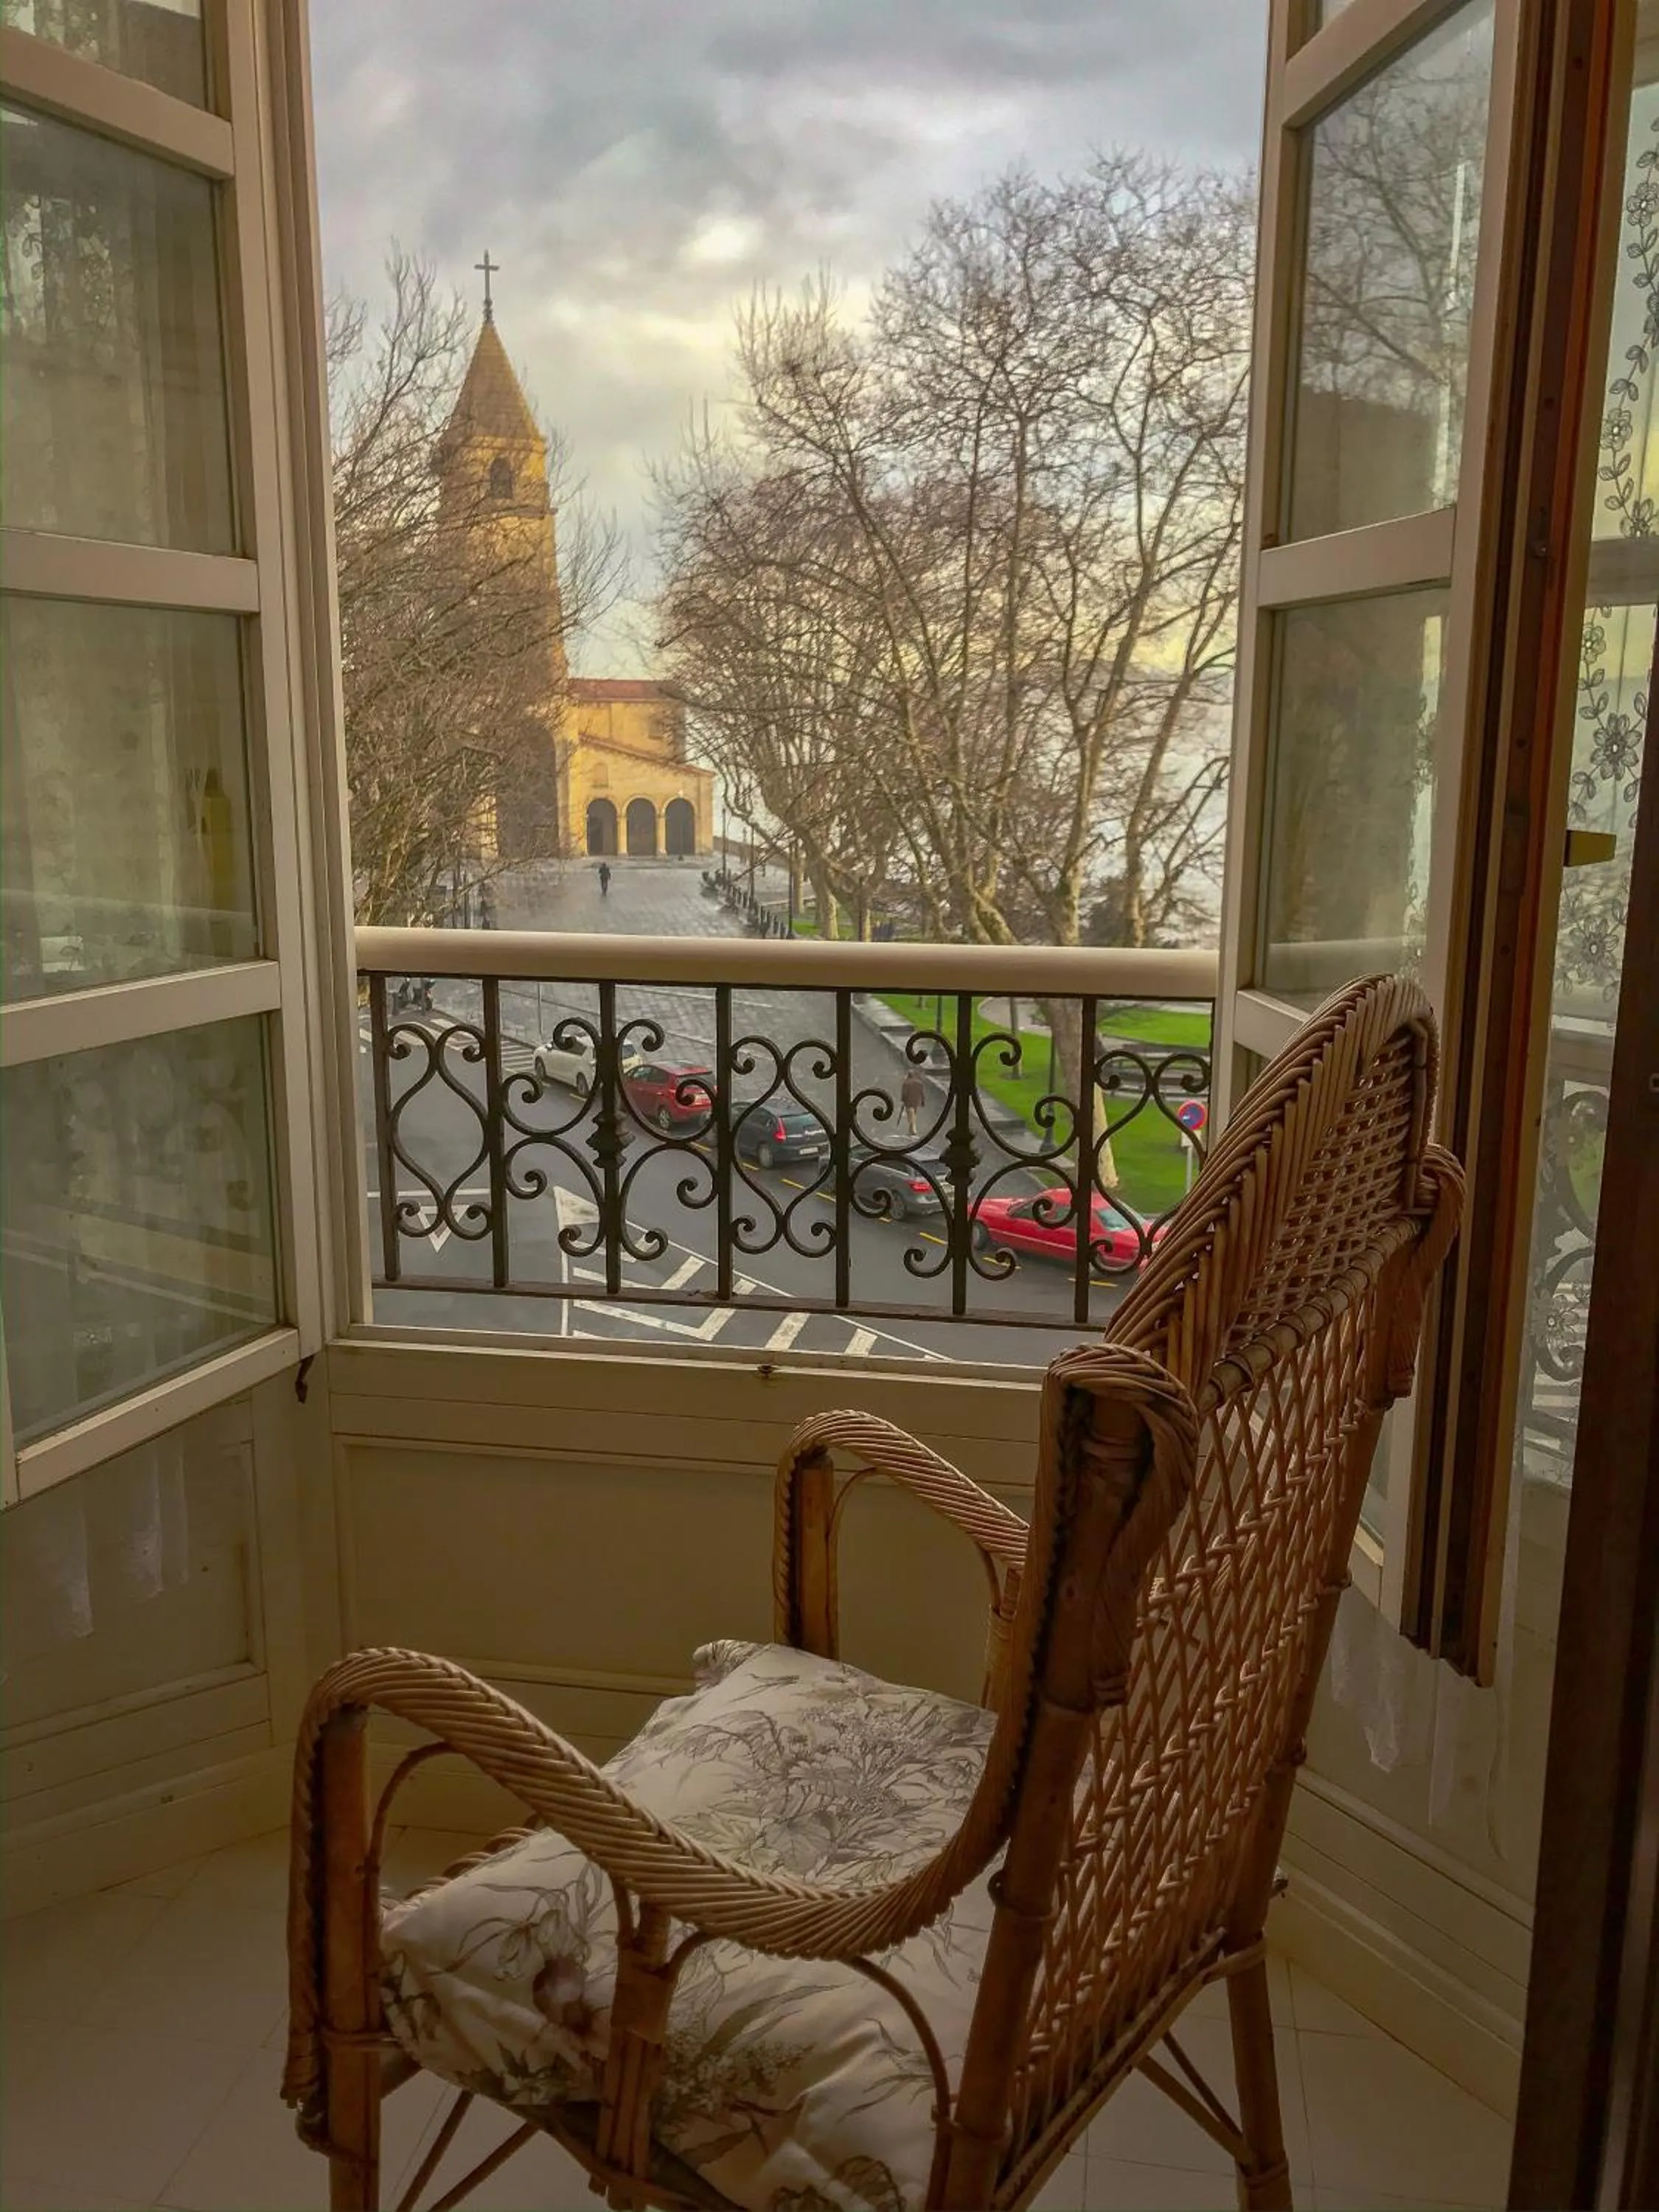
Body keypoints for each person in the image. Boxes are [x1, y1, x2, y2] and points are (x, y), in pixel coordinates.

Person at [900, 1066, 926, 1138]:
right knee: (913, 1115)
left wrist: (903, 1100)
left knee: (910, 1116)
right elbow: (922, 1093)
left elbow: (904, 1093)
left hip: (908, 1102)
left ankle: (913, 1130)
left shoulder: (906, 1083)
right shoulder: (920, 1084)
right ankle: (910, 1131)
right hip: (916, 1102)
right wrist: (923, 1102)